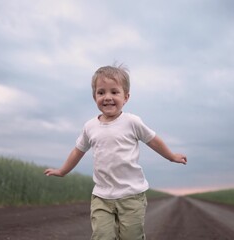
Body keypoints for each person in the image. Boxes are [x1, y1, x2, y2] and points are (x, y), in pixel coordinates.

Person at [44, 64, 187, 240]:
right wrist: (62, 171)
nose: (107, 97)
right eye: (101, 92)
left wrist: (171, 156)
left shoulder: (132, 122)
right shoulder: (90, 127)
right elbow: (77, 151)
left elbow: (154, 141)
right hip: (102, 197)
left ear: (126, 97)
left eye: (114, 92)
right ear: (94, 96)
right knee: (101, 236)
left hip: (131, 196)